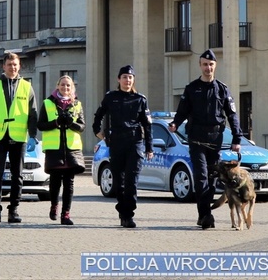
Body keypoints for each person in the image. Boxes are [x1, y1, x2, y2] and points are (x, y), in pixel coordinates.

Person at [168, 49, 242, 230]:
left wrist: (237, 137)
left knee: (211, 179)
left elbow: (232, 115)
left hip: (215, 140)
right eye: (205, 64)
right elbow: (182, 111)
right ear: (200, 66)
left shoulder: (222, 89)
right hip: (196, 140)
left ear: (215, 66)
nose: (208, 68)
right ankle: (206, 215)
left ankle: (203, 214)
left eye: (211, 64)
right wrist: (175, 124)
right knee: (201, 177)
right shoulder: (192, 88)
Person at [92, 65, 153, 228]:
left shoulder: (140, 99)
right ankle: (122, 211)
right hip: (117, 143)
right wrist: (97, 132)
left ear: (133, 80)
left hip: (135, 143)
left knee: (132, 181)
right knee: (119, 182)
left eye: (130, 77)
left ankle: (129, 215)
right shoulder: (111, 97)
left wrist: (149, 147)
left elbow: (147, 125)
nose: (127, 80)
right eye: (124, 77)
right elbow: (99, 115)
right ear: (119, 79)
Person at [0, 52, 38, 223]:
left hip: (18, 136)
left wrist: (33, 135)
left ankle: (13, 209)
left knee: (17, 175)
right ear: (3, 66)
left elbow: (33, 113)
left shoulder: (27, 87)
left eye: (15, 65)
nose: (12, 67)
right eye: (9, 64)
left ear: (19, 66)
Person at [37, 75, 85, 226]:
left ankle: (66, 214)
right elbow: (41, 125)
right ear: (57, 86)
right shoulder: (47, 103)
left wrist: (71, 123)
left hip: (71, 149)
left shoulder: (77, 104)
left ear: (72, 88)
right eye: (63, 85)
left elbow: (82, 127)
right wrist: (56, 122)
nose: (65, 88)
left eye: (68, 86)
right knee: (55, 182)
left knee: (69, 183)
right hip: (54, 149)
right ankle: (54, 205)